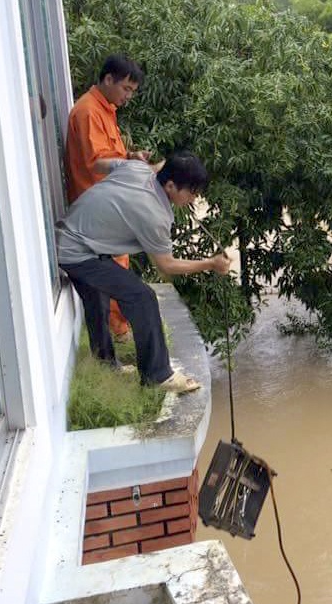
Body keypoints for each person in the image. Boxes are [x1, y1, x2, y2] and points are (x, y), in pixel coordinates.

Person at [56, 152, 231, 393]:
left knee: (97, 296)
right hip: (78, 252)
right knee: (142, 297)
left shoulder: (138, 169)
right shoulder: (154, 215)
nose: (194, 197)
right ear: (170, 186)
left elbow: (97, 165)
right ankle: (158, 376)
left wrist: (135, 159)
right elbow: (167, 266)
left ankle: (105, 363)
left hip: (68, 237)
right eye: (191, 191)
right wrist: (211, 263)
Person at [65, 54, 151, 343]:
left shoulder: (105, 110)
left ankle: (119, 334)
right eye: (125, 89)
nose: (128, 96)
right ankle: (118, 337)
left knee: (117, 271)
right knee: (111, 278)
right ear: (108, 79)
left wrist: (129, 157)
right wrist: (129, 165)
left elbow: (108, 155)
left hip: (108, 209)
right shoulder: (88, 111)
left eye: (132, 92)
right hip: (96, 213)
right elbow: (96, 162)